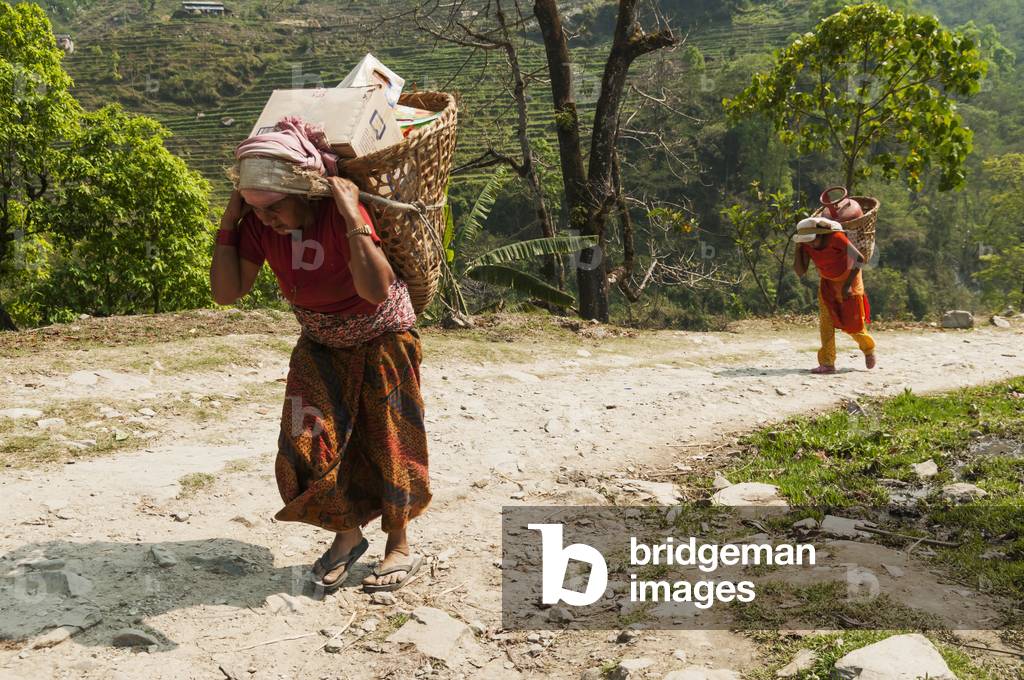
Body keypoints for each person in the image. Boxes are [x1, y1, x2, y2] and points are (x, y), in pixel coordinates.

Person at [210, 166, 431, 594]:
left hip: (383, 339)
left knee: (390, 441)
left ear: (306, 194)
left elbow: (376, 291)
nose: (267, 218)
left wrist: (351, 218)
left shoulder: (341, 216)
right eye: (256, 209)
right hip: (320, 341)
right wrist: (229, 224)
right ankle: (347, 536)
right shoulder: (258, 226)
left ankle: (399, 545)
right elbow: (225, 293)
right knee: (308, 439)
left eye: (274, 207)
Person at [792, 216, 876, 374]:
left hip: (849, 280)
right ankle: (827, 363)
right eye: (805, 241)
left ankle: (868, 348)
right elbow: (799, 271)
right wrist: (799, 248)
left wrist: (846, 286)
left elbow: (859, 258)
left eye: (811, 240)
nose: (810, 244)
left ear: (821, 234)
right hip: (828, 283)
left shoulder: (835, 238)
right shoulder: (806, 244)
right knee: (826, 323)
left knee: (853, 325)